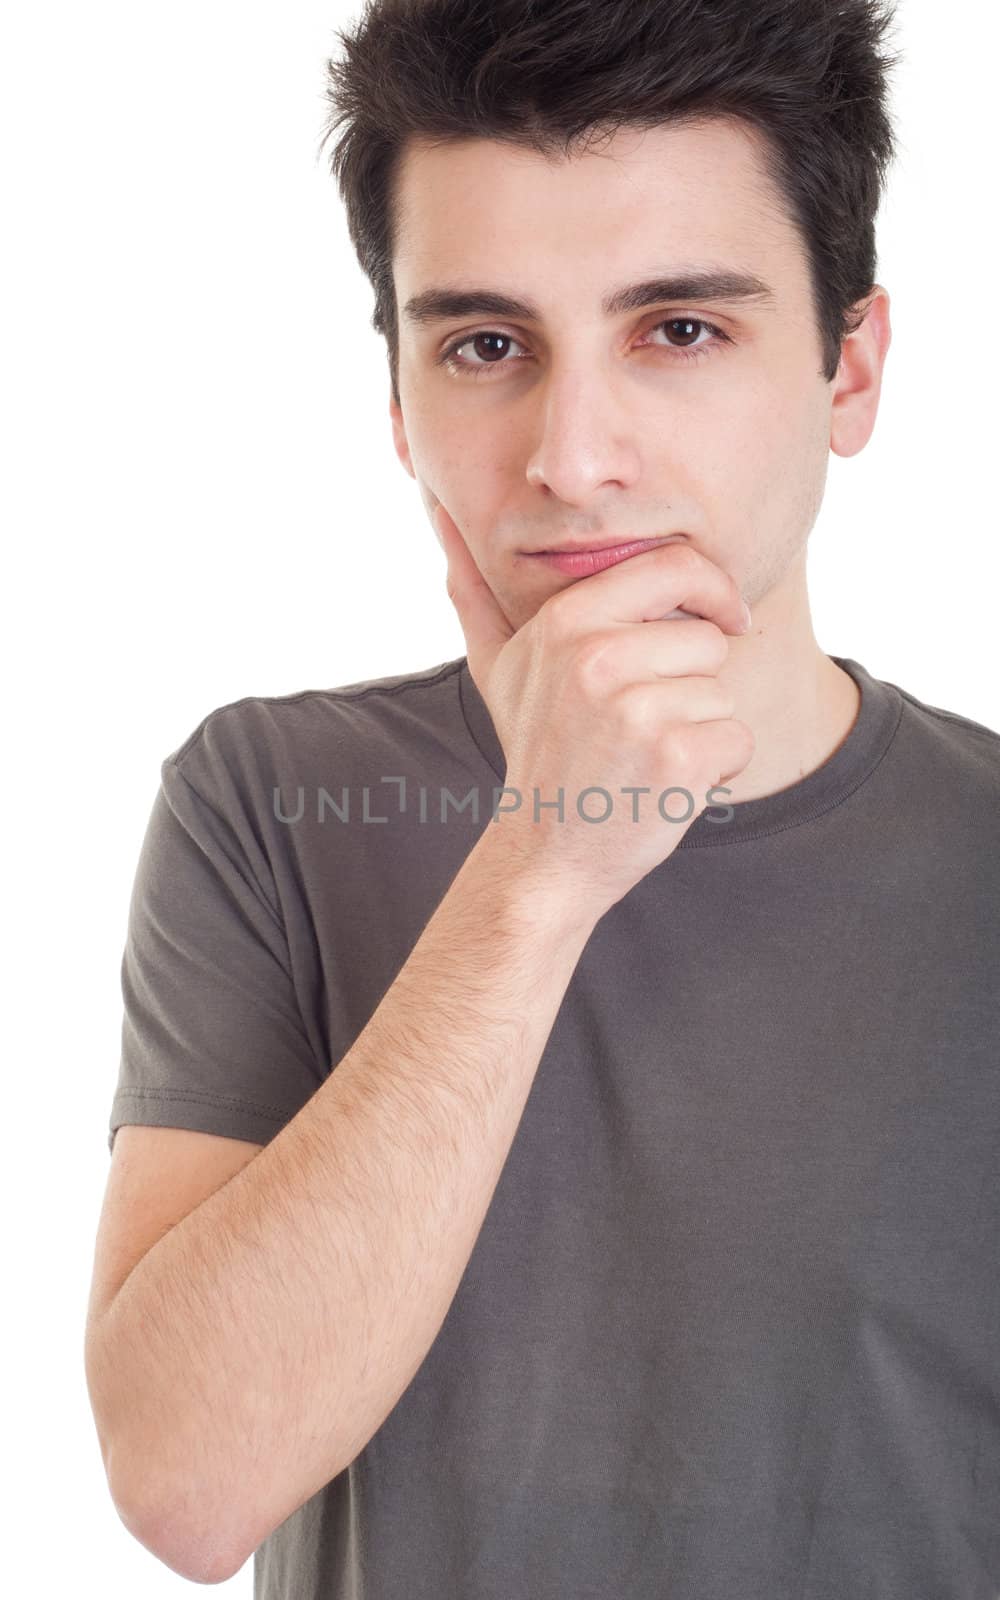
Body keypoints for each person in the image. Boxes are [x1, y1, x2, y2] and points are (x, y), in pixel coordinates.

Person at [85, 0, 1000, 1594]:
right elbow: (186, 1485)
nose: (573, 456)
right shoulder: (271, 803)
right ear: (398, 407)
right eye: (488, 346)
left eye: (681, 331)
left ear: (849, 372)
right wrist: (542, 870)